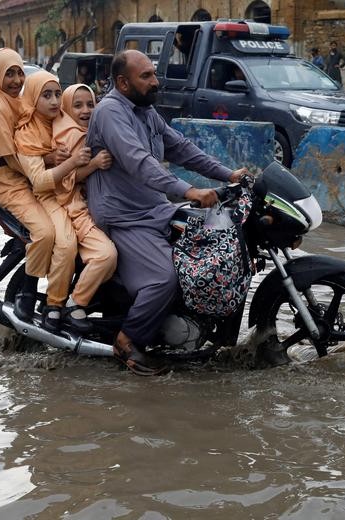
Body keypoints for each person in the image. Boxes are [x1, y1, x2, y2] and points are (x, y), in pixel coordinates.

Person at [85, 50, 248, 375]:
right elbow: (138, 161)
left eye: (154, 74)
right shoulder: (110, 112)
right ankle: (127, 341)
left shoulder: (146, 111)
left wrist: (228, 175)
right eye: (145, 76)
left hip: (154, 207)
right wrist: (189, 191)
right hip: (124, 216)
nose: (155, 81)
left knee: (204, 252)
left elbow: (181, 148)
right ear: (123, 82)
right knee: (165, 278)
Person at [0, 49, 60, 324]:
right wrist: (47, 159)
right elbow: (14, 158)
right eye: (9, 74)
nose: (17, 80)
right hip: (9, 183)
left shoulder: (14, 102)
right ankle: (28, 293)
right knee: (45, 232)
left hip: (29, 177)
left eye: (20, 73)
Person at [13, 71, 110, 332]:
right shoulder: (31, 133)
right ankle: (53, 304)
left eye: (57, 94)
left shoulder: (65, 126)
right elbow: (42, 182)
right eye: (46, 95)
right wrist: (74, 163)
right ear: (33, 97)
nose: (55, 102)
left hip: (73, 197)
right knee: (64, 243)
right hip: (50, 196)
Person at [51, 83, 117, 330]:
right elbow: (67, 179)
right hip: (74, 208)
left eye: (90, 104)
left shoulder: (89, 133)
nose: (86, 110)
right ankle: (74, 304)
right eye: (77, 105)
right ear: (66, 108)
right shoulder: (70, 137)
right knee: (106, 254)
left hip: (93, 204)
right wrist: (95, 164)